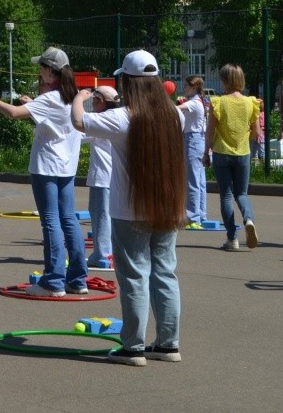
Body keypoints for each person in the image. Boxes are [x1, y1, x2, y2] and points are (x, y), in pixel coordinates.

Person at [72, 49, 186, 366]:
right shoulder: (174, 114)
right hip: (167, 205)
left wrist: (78, 96)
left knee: (135, 277)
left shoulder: (123, 116)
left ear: (129, 82)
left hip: (129, 210)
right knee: (165, 274)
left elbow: (79, 122)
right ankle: (168, 344)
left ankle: (133, 348)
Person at [0, 46, 86, 297]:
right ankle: (78, 279)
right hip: (66, 167)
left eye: (41, 68)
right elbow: (54, 120)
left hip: (46, 167)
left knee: (50, 221)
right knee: (69, 219)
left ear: (50, 71)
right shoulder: (72, 98)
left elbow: (14, 114)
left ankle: (53, 282)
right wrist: (34, 104)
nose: (39, 73)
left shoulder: (50, 98)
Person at [204, 64, 259, 250]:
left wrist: (206, 152)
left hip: (221, 153)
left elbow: (210, 131)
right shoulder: (251, 102)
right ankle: (249, 220)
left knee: (226, 196)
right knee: (242, 194)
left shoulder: (218, 102)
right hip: (243, 153)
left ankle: (232, 238)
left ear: (225, 81)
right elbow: (256, 132)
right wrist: (243, 138)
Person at [83, 85, 120, 265]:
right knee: (111, 214)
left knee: (100, 214)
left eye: (94, 100)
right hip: (117, 175)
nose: (92, 103)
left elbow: (78, 132)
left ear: (102, 101)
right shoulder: (119, 117)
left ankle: (103, 254)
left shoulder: (99, 120)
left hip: (102, 176)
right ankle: (110, 250)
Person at [178, 76, 208, 228]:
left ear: (194, 88)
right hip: (199, 139)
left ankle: (192, 217)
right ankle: (201, 214)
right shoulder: (201, 101)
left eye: (186, 86)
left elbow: (175, 109)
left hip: (193, 139)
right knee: (200, 180)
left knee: (193, 180)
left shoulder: (193, 103)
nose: (184, 88)